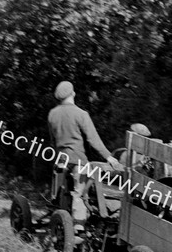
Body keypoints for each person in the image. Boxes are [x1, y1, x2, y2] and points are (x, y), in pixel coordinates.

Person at [47, 81, 123, 230]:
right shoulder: (81, 114)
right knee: (79, 194)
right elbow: (93, 139)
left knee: (61, 192)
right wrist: (109, 157)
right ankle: (78, 228)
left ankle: (60, 219)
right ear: (73, 94)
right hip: (78, 160)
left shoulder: (52, 114)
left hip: (61, 159)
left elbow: (52, 140)